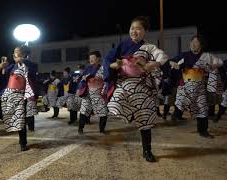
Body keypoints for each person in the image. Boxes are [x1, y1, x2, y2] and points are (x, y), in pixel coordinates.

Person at [103, 16, 168, 162]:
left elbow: (162, 57)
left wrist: (153, 64)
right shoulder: (121, 46)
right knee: (115, 104)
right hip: (124, 83)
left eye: (138, 28)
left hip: (142, 85)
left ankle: (147, 151)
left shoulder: (149, 47)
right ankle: (131, 113)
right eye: (132, 28)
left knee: (145, 119)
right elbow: (108, 61)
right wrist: (115, 65)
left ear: (145, 31)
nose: (134, 31)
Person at [0, 46, 38, 151]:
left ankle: (23, 144)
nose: (13, 55)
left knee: (20, 119)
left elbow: (31, 71)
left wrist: (22, 61)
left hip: (21, 94)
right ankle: (10, 119)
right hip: (8, 92)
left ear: (24, 55)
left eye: (16, 53)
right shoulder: (12, 66)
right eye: (13, 53)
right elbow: (1, 78)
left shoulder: (30, 65)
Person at [170, 35, 223, 138]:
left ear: (201, 45)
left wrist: (214, 65)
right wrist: (173, 64)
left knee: (202, 109)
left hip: (199, 88)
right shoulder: (184, 55)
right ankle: (176, 114)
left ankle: (203, 131)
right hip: (185, 86)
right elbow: (172, 61)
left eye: (196, 42)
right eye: (192, 42)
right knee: (180, 103)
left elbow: (220, 62)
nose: (193, 44)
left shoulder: (207, 56)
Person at [77, 51, 108, 134]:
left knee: (103, 111)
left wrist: (104, 91)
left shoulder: (103, 68)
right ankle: (80, 128)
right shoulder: (87, 69)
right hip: (87, 93)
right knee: (83, 110)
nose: (91, 60)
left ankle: (102, 129)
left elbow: (106, 80)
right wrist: (82, 80)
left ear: (98, 59)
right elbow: (81, 79)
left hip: (98, 93)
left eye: (93, 58)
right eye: (90, 58)